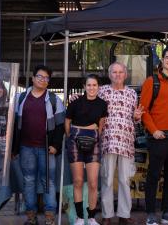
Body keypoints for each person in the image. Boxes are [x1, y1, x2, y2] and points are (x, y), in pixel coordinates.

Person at [13, 64, 66, 225]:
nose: (43, 80)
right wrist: (14, 148)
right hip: (26, 147)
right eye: (40, 77)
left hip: (47, 149)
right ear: (33, 78)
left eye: (46, 78)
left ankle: (50, 218)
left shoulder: (54, 100)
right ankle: (31, 217)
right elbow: (14, 124)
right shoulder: (20, 99)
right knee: (28, 181)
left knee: (48, 182)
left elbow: (60, 125)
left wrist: (56, 145)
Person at [139, 46, 168, 225]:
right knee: (153, 176)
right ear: (162, 60)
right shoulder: (152, 81)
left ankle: (167, 212)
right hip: (158, 137)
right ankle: (150, 213)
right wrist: (154, 130)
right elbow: (143, 110)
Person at [98, 62, 143, 225]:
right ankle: (107, 215)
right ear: (109, 74)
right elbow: (89, 102)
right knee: (107, 178)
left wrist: (138, 116)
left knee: (125, 179)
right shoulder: (101, 91)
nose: (117, 75)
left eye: (120, 72)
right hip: (107, 141)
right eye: (114, 72)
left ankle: (124, 214)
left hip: (126, 142)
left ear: (125, 75)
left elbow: (135, 119)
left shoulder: (132, 93)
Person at [67, 74, 108, 225]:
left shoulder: (103, 104)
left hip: (94, 139)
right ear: (84, 87)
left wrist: (95, 136)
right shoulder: (75, 102)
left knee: (92, 182)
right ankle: (79, 217)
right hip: (75, 138)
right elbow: (67, 122)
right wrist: (71, 137)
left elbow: (101, 126)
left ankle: (91, 217)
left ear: (98, 87)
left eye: (94, 85)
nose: (91, 88)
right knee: (77, 181)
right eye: (89, 85)